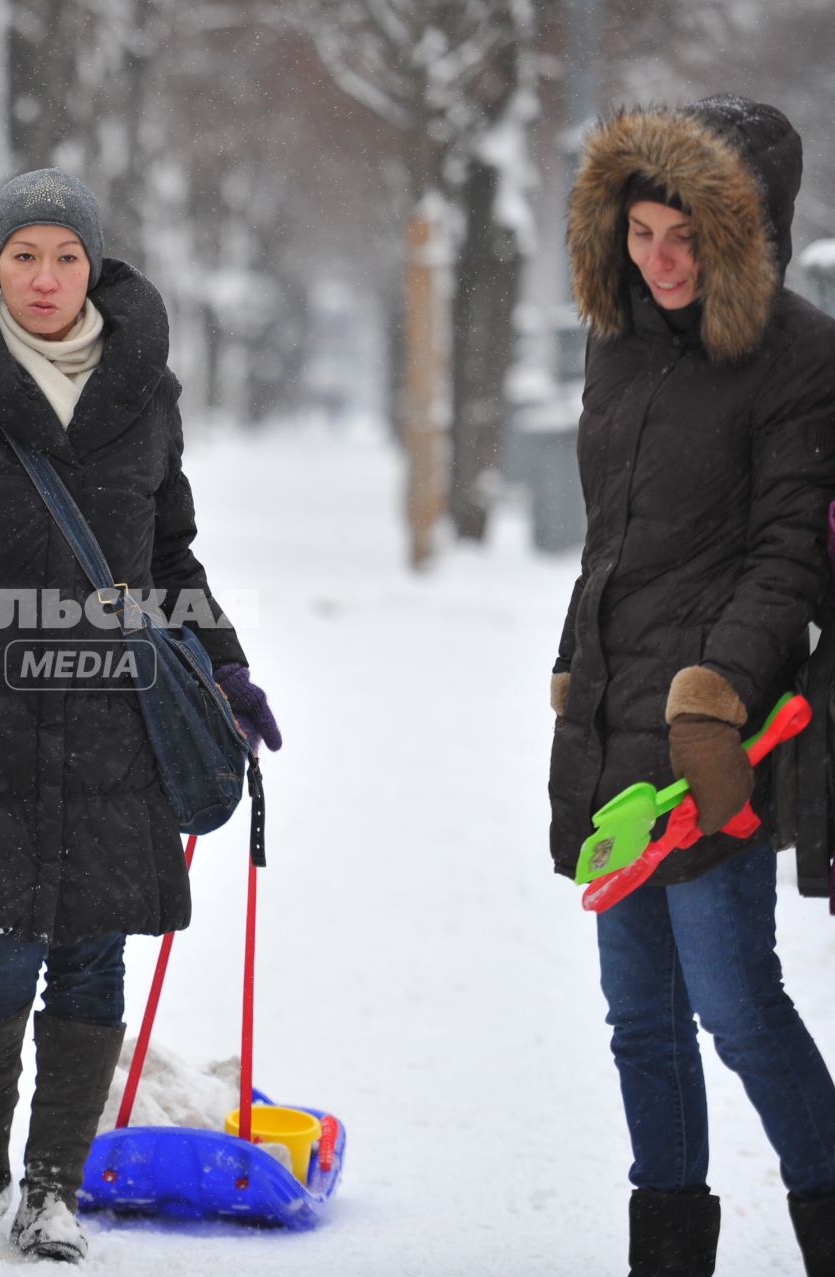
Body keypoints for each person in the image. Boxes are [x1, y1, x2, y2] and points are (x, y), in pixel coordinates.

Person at [0, 169, 280, 1263]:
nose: (44, 278)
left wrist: (227, 669)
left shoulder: (145, 392)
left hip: (115, 715)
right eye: (23, 257)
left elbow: (170, 553)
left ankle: (53, 1185)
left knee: (94, 949)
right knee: (1, 946)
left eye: (63, 257)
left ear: (92, 266)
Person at [551, 97, 835, 1277]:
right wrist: (577, 663)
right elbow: (607, 536)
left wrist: (715, 692)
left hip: (716, 721)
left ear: (745, 236)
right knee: (641, 1019)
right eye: (642, 232)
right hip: (617, 715)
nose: (660, 261)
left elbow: (787, 549)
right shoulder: (616, 346)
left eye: (687, 237)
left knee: (735, 1000)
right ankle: (667, 1246)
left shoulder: (801, 354)